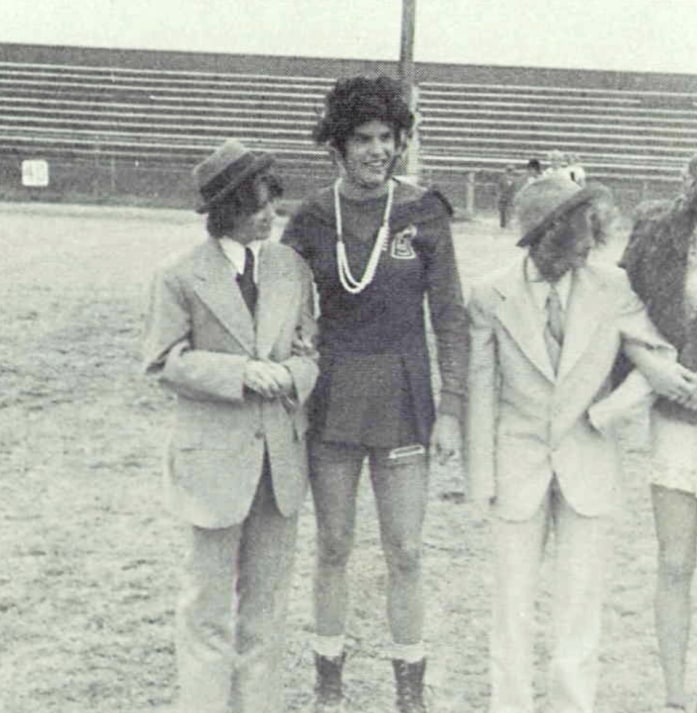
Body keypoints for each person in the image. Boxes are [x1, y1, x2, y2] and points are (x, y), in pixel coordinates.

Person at [465, 173, 693, 713]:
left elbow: (658, 358)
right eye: (578, 235)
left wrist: (609, 412)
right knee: (511, 605)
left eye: (593, 232)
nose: (589, 246)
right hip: (515, 467)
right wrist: (481, 479)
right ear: (546, 235)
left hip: (589, 465)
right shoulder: (489, 293)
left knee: (579, 606)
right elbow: (479, 389)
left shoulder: (612, 289)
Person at [281, 74, 469, 713]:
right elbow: (284, 316)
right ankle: (328, 682)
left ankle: (408, 688)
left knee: (406, 550)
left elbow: (449, 317)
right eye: (362, 138)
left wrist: (452, 410)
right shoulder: (308, 217)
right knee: (333, 544)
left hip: (404, 396)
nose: (377, 150)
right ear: (337, 145)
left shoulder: (425, 211)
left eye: (388, 137)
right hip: (332, 399)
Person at [142, 140, 319, 713]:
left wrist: (291, 375)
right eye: (257, 206)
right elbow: (164, 360)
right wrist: (241, 373)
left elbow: (309, 350)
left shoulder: (291, 269)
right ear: (226, 212)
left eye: (273, 202)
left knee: (266, 612)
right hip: (213, 467)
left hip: (279, 466)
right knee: (208, 610)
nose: (270, 216)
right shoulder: (180, 276)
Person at [619, 115, 697, 713]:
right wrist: (651, 362)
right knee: (675, 561)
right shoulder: (660, 231)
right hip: (672, 413)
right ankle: (674, 695)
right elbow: (619, 305)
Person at [496, 164, 518, 228]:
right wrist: (499, 195)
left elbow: (516, 188)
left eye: (511, 170)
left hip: (511, 197)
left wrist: (515, 196)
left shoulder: (515, 179)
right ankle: (503, 225)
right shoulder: (502, 178)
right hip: (503, 197)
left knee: (510, 211)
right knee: (502, 212)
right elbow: (498, 187)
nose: (510, 172)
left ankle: (508, 224)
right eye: (509, 170)